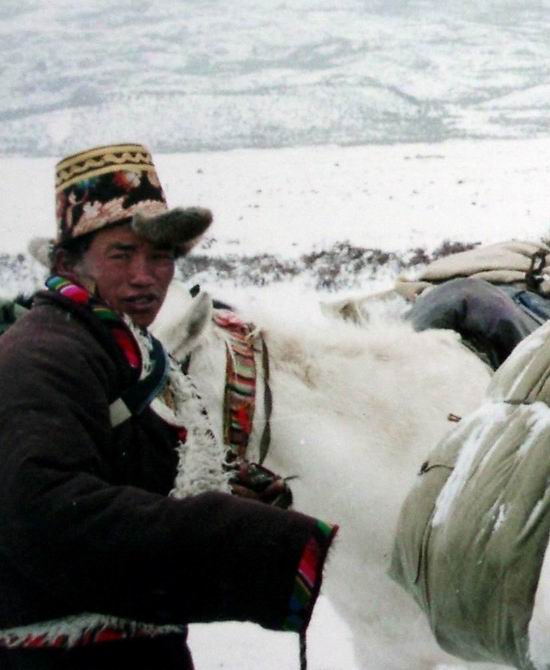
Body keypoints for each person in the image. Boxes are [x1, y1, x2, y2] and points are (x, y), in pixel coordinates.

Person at [0, 143, 338, 669]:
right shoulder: (44, 356)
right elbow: (47, 514)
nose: (145, 275)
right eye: (121, 254)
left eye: (160, 256)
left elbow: (117, 474)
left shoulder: (116, 346)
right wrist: (244, 539)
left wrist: (226, 492)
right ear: (68, 262)